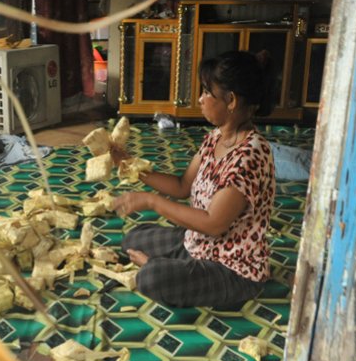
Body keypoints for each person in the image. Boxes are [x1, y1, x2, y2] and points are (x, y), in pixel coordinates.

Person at [112, 50, 276, 308]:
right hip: (199, 242)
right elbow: (181, 186)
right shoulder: (215, 138)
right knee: (133, 240)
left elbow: (213, 224)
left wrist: (151, 202)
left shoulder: (251, 156)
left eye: (206, 93)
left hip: (231, 267)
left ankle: (165, 268)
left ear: (231, 100)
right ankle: (178, 262)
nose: (200, 99)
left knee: (151, 277)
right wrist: (131, 166)